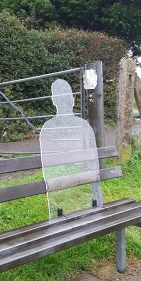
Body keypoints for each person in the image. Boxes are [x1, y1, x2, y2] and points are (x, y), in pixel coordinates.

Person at [40, 79, 100, 218]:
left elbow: (93, 167)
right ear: (72, 100)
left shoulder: (83, 126)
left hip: (84, 202)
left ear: (53, 100)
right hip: (63, 208)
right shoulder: (49, 128)